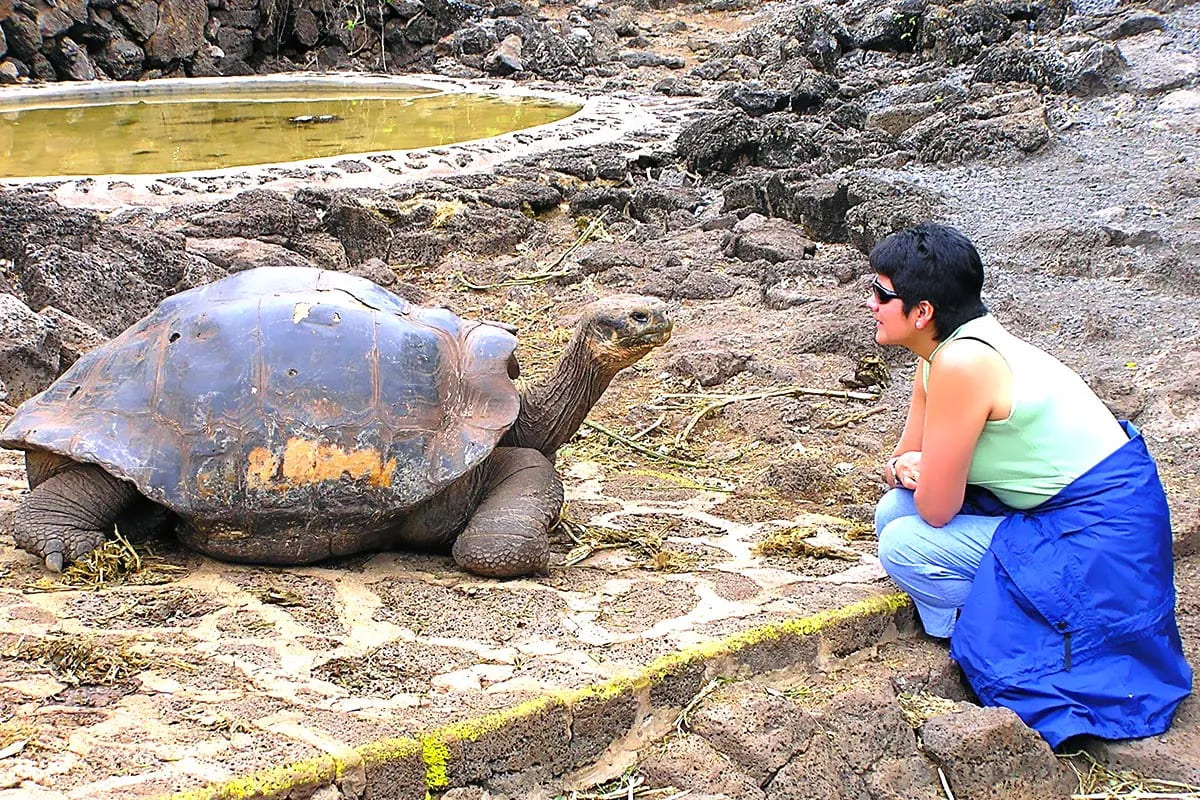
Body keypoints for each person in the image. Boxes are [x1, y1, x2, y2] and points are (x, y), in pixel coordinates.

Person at [867, 222, 1191, 747]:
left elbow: (936, 510)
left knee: (904, 543)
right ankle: (988, 610)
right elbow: (907, 462)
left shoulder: (962, 363)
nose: (871, 305)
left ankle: (982, 631)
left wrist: (915, 471)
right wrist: (906, 469)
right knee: (890, 512)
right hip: (1057, 511)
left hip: (1101, 534)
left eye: (881, 294)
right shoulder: (942, 355)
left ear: (921, 312)